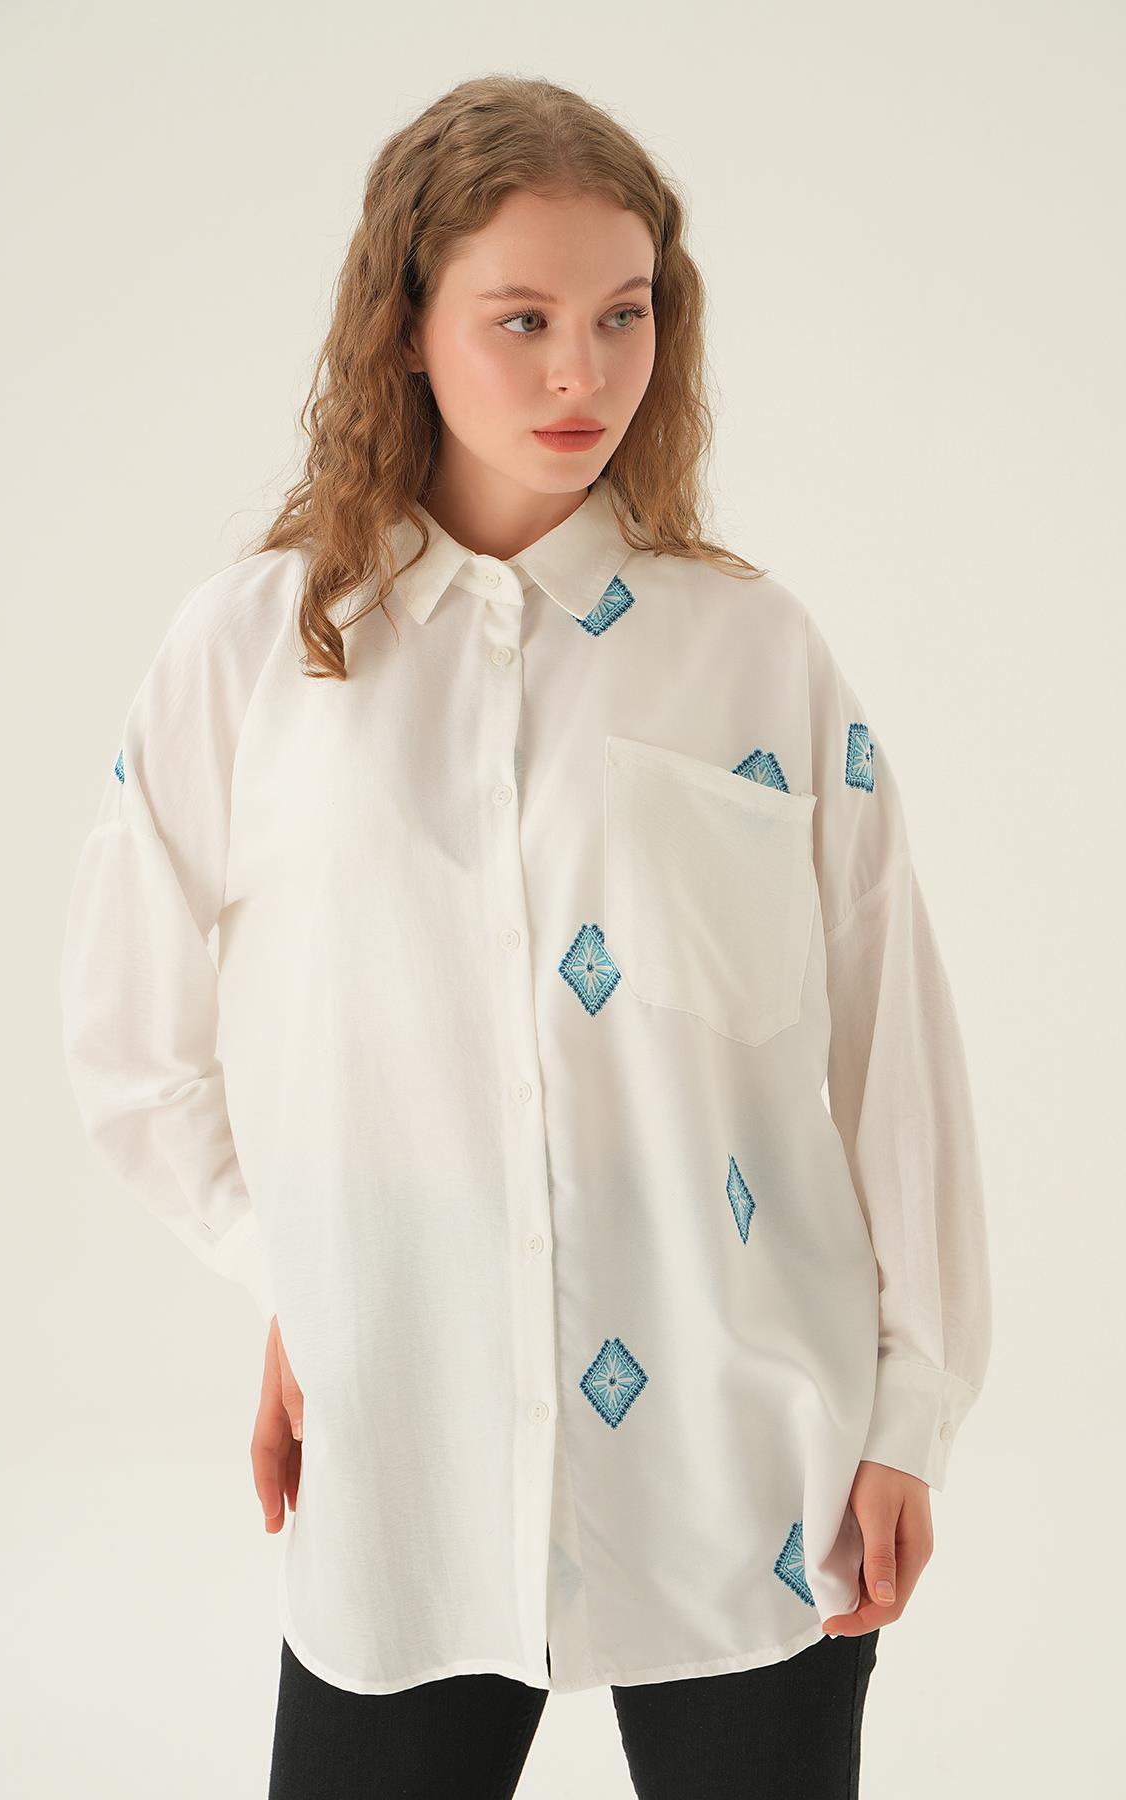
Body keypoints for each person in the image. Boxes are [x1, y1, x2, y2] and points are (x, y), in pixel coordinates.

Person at [59, 72, 992, 1800]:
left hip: (748, 1463)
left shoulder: (752, 652)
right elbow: (129, 1045)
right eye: (525, 320)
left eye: (625, 315)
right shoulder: (256, 654)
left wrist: (908, 1411)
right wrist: (301, 1273)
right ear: (406, 329)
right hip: (404, 1466)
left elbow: (894, 1048)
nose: (585, 374)